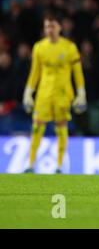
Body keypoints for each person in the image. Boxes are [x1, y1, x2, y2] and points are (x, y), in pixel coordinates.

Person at [22, 12, 87, 173]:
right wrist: (28, 92)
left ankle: (59, 165)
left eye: (52, 26)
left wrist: (81, 92)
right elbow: (34, 72)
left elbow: (77, 72)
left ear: (59, 27)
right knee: (37, 126)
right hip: (44, 93)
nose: (49, 29)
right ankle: (30, 164)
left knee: (61, 126)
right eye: (46, 26)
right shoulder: (39, 47)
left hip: (63, 94)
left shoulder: (69, 47)